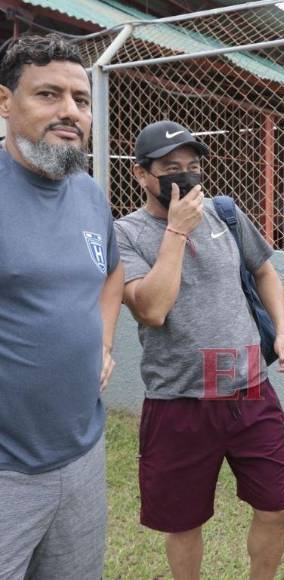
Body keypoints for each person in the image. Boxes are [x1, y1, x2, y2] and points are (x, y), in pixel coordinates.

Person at [114, 120, 284, 580]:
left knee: (276, 507)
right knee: (184, 521)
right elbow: (151, 310)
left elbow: (265, 271)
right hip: (178, 401)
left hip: (250, 393)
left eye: (193, 166)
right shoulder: (125, 235)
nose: (186, 176)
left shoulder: (225, 215)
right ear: (141, 175)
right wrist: (175, 232)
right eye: (171, 168)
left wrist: (282, 331)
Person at [0, 34, 124, 579]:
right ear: (5, 102)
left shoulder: (88, 193)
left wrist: (102, 339)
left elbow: (111, 270)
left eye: (80, 99)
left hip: (81, 455)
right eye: (48, 94)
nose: (70, 111)